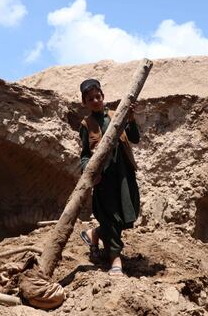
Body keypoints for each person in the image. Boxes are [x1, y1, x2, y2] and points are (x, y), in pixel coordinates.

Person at [77, 78, 141, 277]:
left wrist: (130, 119)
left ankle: (94, 234)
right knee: (111, 217)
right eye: (90, 99)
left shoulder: (117, 115)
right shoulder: (86, 124)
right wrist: (89, 171)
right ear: (84, 103)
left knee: (125, 216)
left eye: (98, 96)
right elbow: (85, 154)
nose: (95, 101)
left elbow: (135, 138)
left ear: (103, 97)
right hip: (104, 180)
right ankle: (115, 259)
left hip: (123, 175)